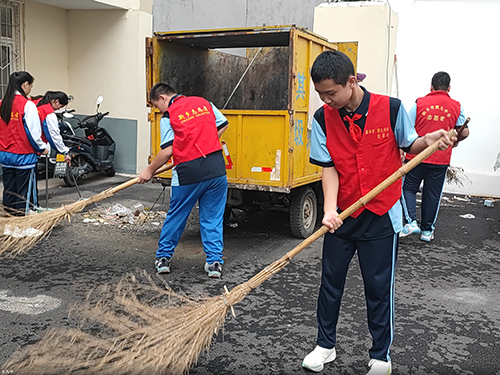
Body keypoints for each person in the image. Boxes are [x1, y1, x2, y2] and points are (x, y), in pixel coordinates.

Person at [302, 51, 454, 375]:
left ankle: (380, 356)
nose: (326, 100)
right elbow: (328, 169)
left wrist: (430, 139)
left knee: (378, 287)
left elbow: (410, 145)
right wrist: (329, 210)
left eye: (331, 93)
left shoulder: (392, 108)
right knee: (330, 283)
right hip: (342, 214)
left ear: (351, 82)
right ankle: (325, 346)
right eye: (321, 94)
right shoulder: (321, 119)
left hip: (381, 214)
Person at [137, 83, 229, 278]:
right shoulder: (203, 102)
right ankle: (214, 263)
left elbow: (168, 150)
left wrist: (149, 171)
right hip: (216, 169)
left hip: (188, 173)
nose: (158, 110)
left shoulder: (169, 115)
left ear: (162, 98)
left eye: (156, 105)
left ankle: (163, 259)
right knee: (212, 218)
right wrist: (204, 142)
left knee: (177, 216)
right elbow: (223, 124)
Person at [400, 71, 469, 241]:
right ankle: (427, 231)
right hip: (440, 159)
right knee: (432, 194)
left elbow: (408, 128)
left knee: (407, 188)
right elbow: (465, 132)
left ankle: (411, 222)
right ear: (449, 88)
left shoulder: (420, 103)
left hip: (416, 156)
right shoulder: (457, 106)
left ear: (431, 87)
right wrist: (456, 138)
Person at [0, 71, 48, 215]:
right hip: (23, 155)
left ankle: (8, 219)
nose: (30, 90)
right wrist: (42, 148)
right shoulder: (27, 105)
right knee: (24, 192)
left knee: (9, 189)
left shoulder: (2, 103)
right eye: (30, 86)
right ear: (25, 84)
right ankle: (21, 223)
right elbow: (33, 133)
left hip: (5, 154)